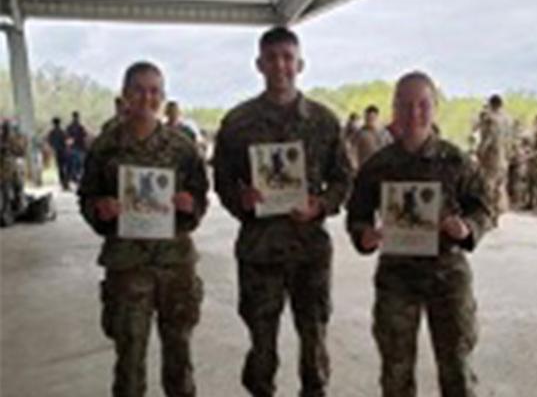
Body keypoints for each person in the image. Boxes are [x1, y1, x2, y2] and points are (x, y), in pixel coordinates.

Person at [212, 27, 352, 397]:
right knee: (261, 344)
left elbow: (343, 179)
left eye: (287, 57)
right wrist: (239, 201)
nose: (280, 65)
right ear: (259, 64)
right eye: (272, 57)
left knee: (314, 340)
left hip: (310, 251)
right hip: (259, 250)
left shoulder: (324, 121)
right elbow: (222, 180)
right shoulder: (237, 122)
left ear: (300, 63)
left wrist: (320, 205)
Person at [346, 71, 493, 397]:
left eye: (423, 104)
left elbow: (484, 207)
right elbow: (356, 215)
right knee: (396, 373)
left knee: (457, 370)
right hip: (396, 279)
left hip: (448, 278)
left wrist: (467, 227)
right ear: (394, 109)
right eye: (406, 105)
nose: (415, 113)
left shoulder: (456, 161)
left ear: (435, 107)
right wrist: (364, 235)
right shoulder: (377, 166)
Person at [78, 61, 209, 397]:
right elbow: (87, 195)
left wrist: (189, 205)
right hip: (126, 264)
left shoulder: (182, 147)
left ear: (163, 98)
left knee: (179, 353)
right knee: (129, 356)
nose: (147, 97)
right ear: (125, 95)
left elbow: (200, 196)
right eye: (139, 89)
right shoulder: (105, 146)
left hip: (175, 264)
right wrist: (100, 210)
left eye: (155, 91)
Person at [47, 117, 71, 190]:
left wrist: (53, 147)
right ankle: (66, 182)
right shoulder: (62, 131)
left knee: (60, 168)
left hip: (57, 151)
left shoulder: (52, 132)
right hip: (64, 151)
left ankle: (62, 183)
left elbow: (49, 141)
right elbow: (67, 141)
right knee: (66, 167)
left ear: (53, 123)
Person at [65, 111, 89, 183]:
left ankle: (75, 177)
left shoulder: (71, 127)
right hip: (78, 148)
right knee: (78, 163)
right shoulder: (80, 127)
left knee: (76, 163)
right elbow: (85, 136)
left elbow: (68, 138)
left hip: (76, 148)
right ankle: (76, 177)